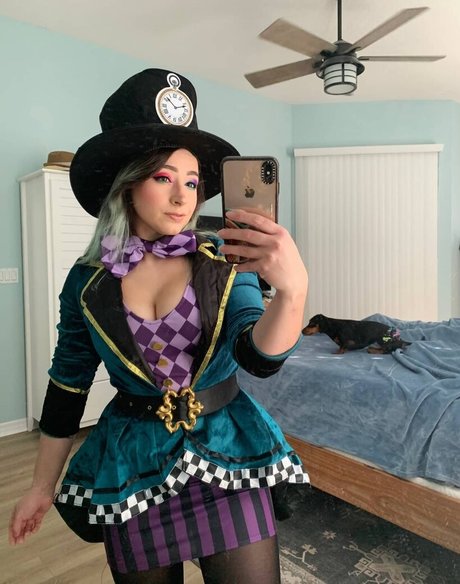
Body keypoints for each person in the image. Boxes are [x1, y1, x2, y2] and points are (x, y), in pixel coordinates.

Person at [9, 68, 309, 584]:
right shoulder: (87, 281)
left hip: (228, 455)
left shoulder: (222, 257)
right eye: (164, 178)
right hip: (134, 466)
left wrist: (292, 292)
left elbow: (258, 357)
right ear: (127, 183)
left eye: (192, 182)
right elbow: (67, 386)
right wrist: (40, 487)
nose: (183, 197)